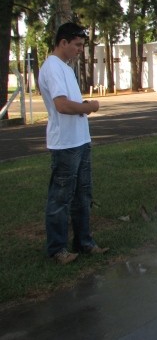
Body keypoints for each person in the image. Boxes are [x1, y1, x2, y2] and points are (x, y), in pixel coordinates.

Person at [38, 22, 109, 265]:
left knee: (82, 195)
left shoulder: (66, 68)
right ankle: (57, 249)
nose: (80, 50)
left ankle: (84, 242)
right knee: (60, 199)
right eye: (77, 45)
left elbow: (70, 102)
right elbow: (62, 105)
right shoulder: (53, 67)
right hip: (65, 145)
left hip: (80, 140)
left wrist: (84, 105)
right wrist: (89, 107)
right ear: (63, 43)